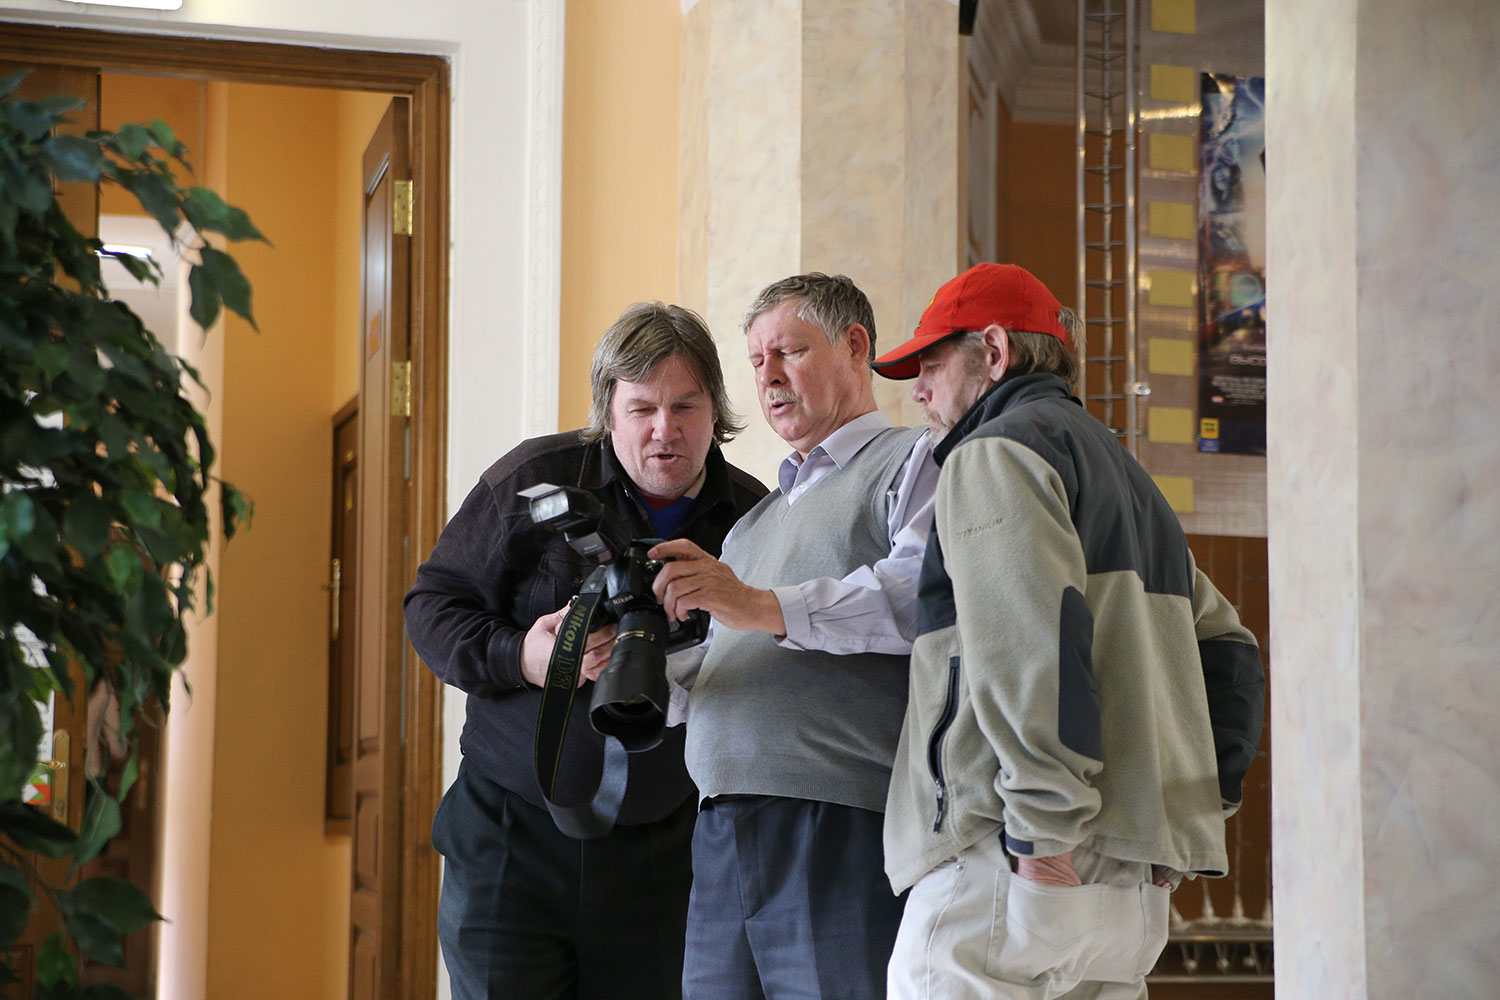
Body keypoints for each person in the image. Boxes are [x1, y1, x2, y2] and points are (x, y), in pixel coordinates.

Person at [870, 262, 1266, 1000]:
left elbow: (1030, 647)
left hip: (1014, 862)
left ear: (993, 352)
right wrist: (1188, 814)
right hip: (1130, 888)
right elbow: (1231, 653)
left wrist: (1044, 838)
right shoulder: (1130, 478)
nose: (917, 390)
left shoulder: (995, 453)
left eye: (931, 364)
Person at [404, 302, 767, 1000]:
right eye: (642, 409)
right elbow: (431, 607)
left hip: (663, 850)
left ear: (715, 410)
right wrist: (525, 657)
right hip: (510, 835)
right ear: (608, 411)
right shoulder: (534, 481)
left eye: (686, 406)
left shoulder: (754, 518)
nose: (665, 430)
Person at [648, 273, 938, 1000]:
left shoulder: (915, 460)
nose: (769, 377)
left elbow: (918, 598)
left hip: (836, 820)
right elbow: (733, 656)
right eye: (756, 361)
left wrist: (755, 604)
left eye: (789, 352)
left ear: (855, 346)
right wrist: (631, 669)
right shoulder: (753, 522)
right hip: (718, 828)